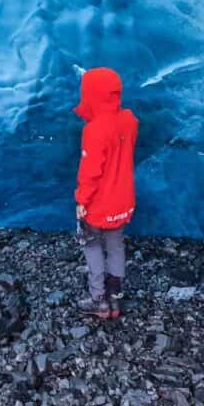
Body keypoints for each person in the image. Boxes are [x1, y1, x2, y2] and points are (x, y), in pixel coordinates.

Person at [73, 67, 138, 319]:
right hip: (123, 200)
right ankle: (116, 299)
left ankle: (98, 299)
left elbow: (90, 173)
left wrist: (81, 201)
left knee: (92, 247)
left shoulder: (94, 130)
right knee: (116, 245)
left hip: (99, 202)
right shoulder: (130, 121)